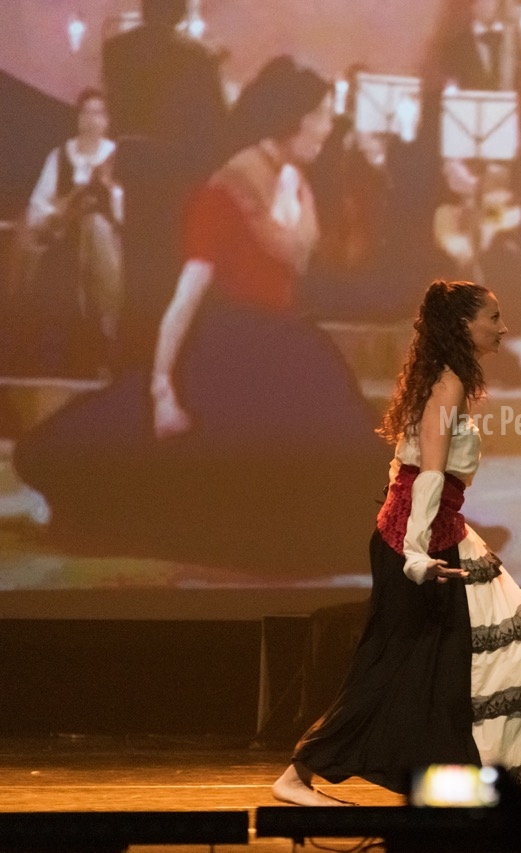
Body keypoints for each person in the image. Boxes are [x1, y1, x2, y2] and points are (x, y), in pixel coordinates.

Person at [13, 56, 386, 577]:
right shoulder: (226, 190)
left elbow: (307, 265)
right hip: (232, 347)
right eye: (322, 115)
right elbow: (185, 299)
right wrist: (163, 389)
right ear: (294, 118)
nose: (328, 127)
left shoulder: (294, 182)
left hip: (290, 347)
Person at [272, 280, 521, 807]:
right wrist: (414, 554)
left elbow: (405, 469)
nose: (503, 328)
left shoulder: (449, 381)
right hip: (420, 543)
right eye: (493, 317)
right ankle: (298, 776)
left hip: (442, 532)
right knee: (391, 666)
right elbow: (427, 475)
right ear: (462, 325)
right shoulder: (447, 384)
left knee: (515, 640)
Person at [103, 0, 227, 370]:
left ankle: (131, 357)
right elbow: (214, 127)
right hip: (178, 175)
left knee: (137, 266)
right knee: (173, 267)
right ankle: (168, 359)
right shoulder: (196, 58)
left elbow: (118, 114)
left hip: (138, 171)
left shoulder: (117, 50)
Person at [22, 88, 124, 375]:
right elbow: (38, 205)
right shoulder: (60, 157)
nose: (92, 120)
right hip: (64, 244)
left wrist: (109, 196)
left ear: (107, 120)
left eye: (98, 113)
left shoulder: (116, 158)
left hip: (108, 247)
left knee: (97, 231)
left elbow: (129, 209)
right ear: (78, 118)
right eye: (86, 113)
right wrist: (58, 214)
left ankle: (106, 343)